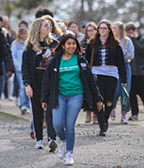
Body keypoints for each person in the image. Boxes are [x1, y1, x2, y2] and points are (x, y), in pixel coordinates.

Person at [41, 34, 103, 166]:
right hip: (59, 96)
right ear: (63, 46)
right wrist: (44, 99)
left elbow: (91, 81)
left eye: (74, 44)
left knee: (69, 125)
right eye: (68, 43)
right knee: (57, 123)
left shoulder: (80, 60)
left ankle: (69, 153)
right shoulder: (55, 61)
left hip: (76, 95)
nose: (71, 46)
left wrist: (98, 98)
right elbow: (47, 81)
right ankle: (63, 142)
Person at [22, 17, 58, 151]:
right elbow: (25, 67)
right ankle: (38, 139)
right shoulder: (30, 46)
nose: (49, 27)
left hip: (50, 82)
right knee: (37, 112)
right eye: (45, 25)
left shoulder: (54, 44)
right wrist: (27, 85)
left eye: (49, 25)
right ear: (38, 28)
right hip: (35, 82)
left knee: (51, 111)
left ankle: (51, 139)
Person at [85, 19, 127, 136]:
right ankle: (102, 125)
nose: (102, 30)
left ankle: (105, 118)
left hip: (111, 75)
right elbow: (86, 59)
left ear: (109, 30)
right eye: (100, 28)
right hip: (96, 74)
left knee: (109, 101)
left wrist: (124, 79)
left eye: (104, 28)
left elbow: (121, 63)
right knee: (98, 100)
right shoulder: (92, 43)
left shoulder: (116, 44)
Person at [125, 22, 144, 121]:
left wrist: (134, 40)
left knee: (142, 92)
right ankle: (134, 113)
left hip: (140, 72)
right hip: (130, 72)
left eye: (131, 32)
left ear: (135, 31)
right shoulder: (127, 41)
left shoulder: (142, 40)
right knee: (131, 93)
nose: (129, 35)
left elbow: (143, 51)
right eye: (128, 33)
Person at [111, 21, 134, 123]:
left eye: (115, 28)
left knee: (125, 91)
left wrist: (120, 57)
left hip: (125, 66)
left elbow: (131, 55)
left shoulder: (127, 41)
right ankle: (112, 109)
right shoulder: (111, 41)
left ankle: (124, 115)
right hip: (114, 68)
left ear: (120, 29)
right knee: (115, 91)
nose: (113, 29)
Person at [81, 22, 98, 124]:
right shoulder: (83, 42)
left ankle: (96, 114)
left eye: (92, 30)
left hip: (96, 70)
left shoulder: (97, 42)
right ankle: (88, 113)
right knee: (86, 92)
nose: (90, 32)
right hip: (86, 70)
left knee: (96, 92)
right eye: (88, 30)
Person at [11, 27, 30, 114]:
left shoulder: (29, 44)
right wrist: (18, 66)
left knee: (29, 87)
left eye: (25, 34)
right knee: (22, 87)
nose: (23, 36)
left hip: (28, 69)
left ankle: (28, 105)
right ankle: (23, 105)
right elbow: (13, 56)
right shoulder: (15, 44)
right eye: (21, 34)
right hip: (19, 70)